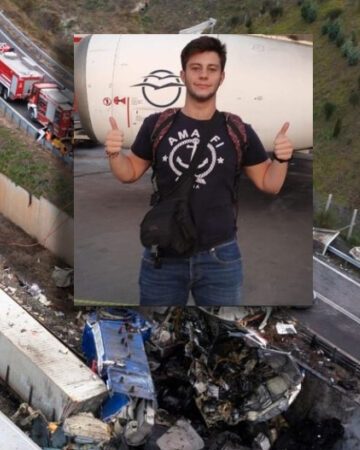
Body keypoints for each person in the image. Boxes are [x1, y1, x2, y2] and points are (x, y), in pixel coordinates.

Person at [105, 36, 290, 307]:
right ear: (183, 74)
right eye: (196, 68)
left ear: (221, 77)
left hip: (220, 258)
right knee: (159, 337)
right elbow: (129, 172)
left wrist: (282, 159)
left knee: (221, 339)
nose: (203, 75)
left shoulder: (238, 130)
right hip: (163, 257)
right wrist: (113, 154)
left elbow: (268, 183)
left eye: (211, 69)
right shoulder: (158, 125)